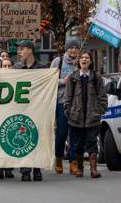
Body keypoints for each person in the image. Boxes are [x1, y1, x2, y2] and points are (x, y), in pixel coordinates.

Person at [64, 51, 108, 178]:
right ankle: (80, 168)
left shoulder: (96, 77)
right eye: (82, 58)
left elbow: (102, 97)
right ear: (78, 61)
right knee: (78, 144)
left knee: (92, 142)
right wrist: (69, 111)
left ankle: (93, 169)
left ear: (91, 61)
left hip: (92, 118)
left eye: (87, 58)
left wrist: (99, 111)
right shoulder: (73, 77)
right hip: (75, 117)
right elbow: (68, 97)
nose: (84, 60)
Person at [14, 40, 46, 182]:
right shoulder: (16, 68)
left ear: (30, 50)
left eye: (22, 49)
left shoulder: (42, 68)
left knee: (36, 138)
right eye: (19, 49)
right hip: (22, 108)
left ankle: (37, 168)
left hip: (38, 108)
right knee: (23, 137)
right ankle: (25, 170)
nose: (19, 52)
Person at [49, 38, 80, 175]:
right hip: (61, 101)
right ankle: (59, 159)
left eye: (76, 48)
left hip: (76, 103)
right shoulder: (58, 61)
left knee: (74, 133)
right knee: (61, 133)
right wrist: (65, 81)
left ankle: (73, 162)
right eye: (71, 47)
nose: (73, 50)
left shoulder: (81, 61)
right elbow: (49, 79)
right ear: (66, 49)